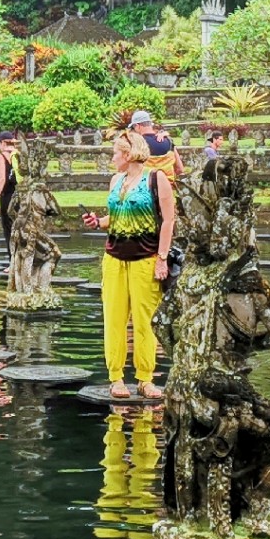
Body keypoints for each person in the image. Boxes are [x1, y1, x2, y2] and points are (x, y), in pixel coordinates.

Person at [80, 131, 176, 401]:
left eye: (115, 153)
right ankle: (116, 377)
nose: (112, 158)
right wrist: (98, 222)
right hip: (114, 259)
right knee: (114, 320)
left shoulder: (156, 180)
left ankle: (146, 378)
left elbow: (168, 221)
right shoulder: (116, 180)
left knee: (145, 322)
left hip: (145, 259)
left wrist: (162, 257)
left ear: (129, 154)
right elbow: (116, 215)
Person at [128, 110, 181, 180]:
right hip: (167, 187)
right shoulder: (169, 142)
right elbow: (180, 169)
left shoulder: (136, 145)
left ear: (138, 126)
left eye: (133, 128)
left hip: (145, 187)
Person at [0, 131, 18, 245]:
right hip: (21, 195)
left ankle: (12, 258)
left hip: (8, 196)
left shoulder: (1, 156)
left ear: (2, 143)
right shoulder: (18, 154)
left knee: (9, 228)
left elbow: (2, 178)